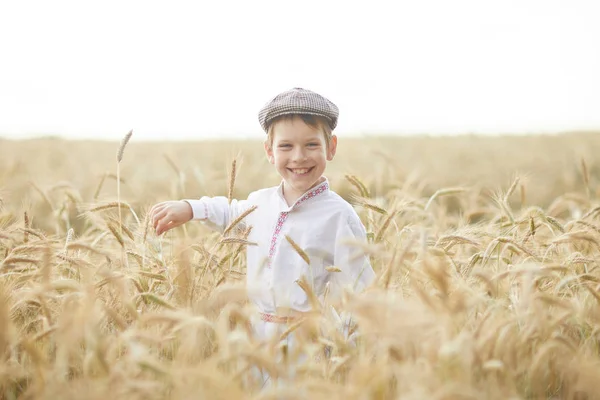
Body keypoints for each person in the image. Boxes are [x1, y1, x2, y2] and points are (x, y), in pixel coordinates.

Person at [149, 87, 376, 385]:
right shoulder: (260, 202)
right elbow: (230, 213)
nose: (298, 157)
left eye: (311, 144)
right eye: (285, 146)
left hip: (305, 344)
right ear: (269, 151)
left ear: (330, 147)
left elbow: (358, 290)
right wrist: (192, 208)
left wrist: (350, 356)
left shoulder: (338, 215)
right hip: (255, 339)